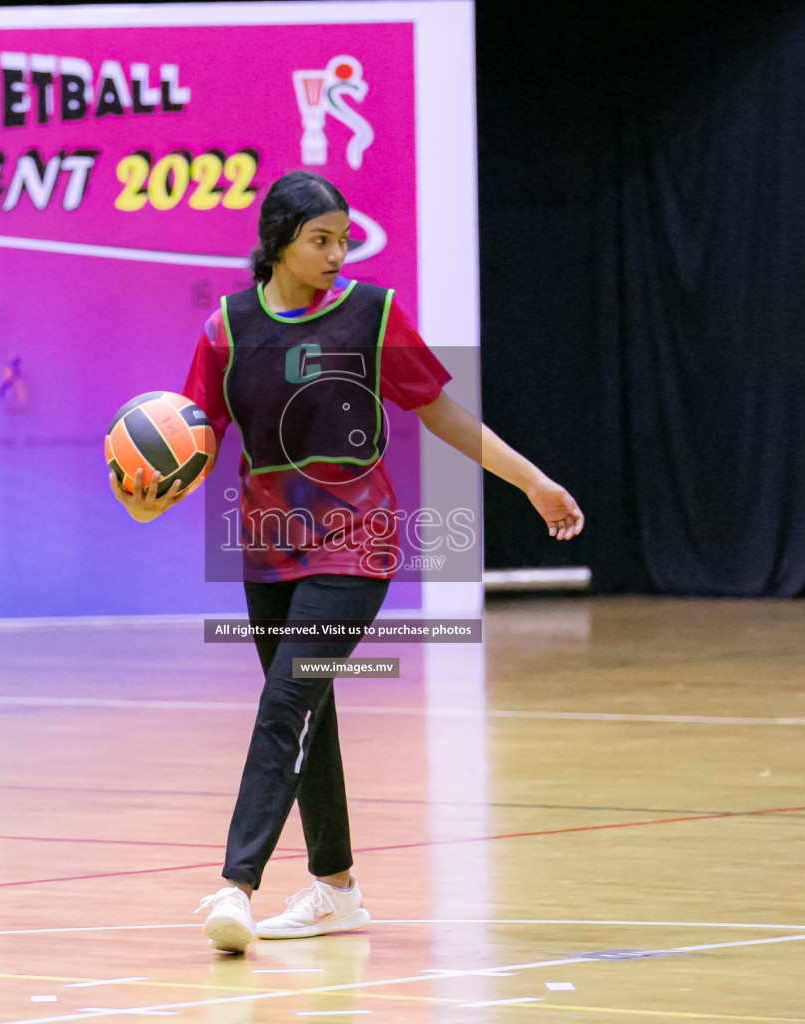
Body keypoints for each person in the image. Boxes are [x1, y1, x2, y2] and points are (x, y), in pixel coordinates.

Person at [112, 171, 583, 954]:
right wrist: (147, 499)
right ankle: (336, 890)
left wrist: (533, 481)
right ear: (279, 244)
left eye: (343, 239)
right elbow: (197, 442)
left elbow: (443, 413)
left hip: (356, 545)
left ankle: (237, 885)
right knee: (308, 710)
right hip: (267, 551)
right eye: (319, 240)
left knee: (285, 706)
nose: (337, 254)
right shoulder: (226, 329)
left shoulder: (373, 314)